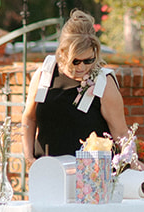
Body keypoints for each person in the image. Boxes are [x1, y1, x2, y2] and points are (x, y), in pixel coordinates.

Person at [21, 9, 128, 161]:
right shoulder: (45, 72)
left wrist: (133, 163)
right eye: (76, 61)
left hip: (89, 176)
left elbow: (121, 133)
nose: (82, 67)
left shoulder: (104, 83)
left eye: (89, 60)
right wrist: (28, 156)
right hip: (47, 169)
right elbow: (29, 118)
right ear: (63, 53)